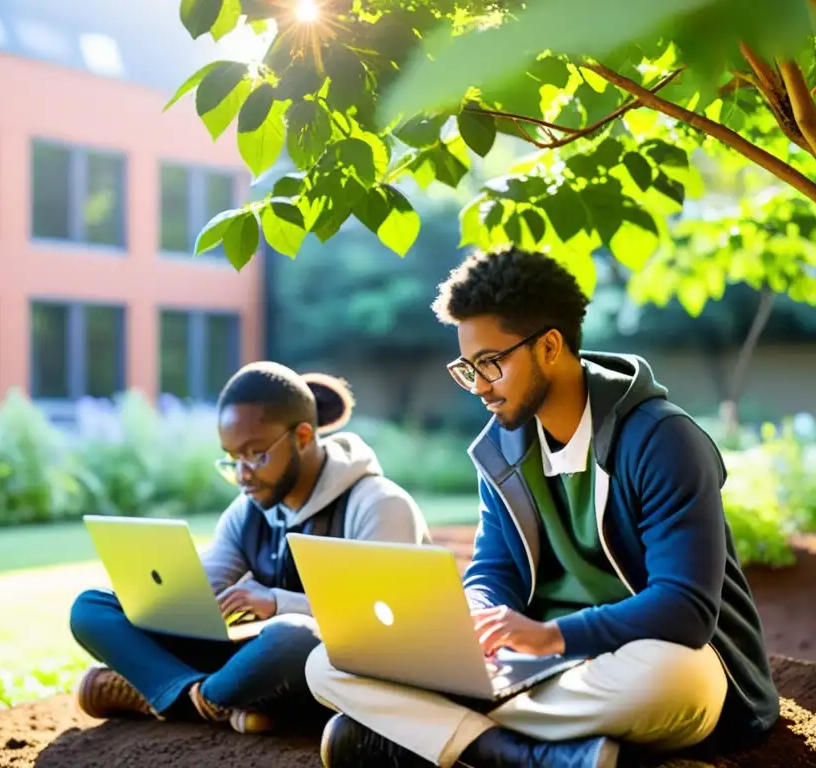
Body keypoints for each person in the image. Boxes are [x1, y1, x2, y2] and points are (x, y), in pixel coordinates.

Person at [305, 249, 780, 767]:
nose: (481, 387)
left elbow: (684, 610)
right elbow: (494, 567)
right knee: (327, 661)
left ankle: (434, 734)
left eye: (491, 363)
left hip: (641, 656)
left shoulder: (663, 440)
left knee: (671, 679)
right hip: (532, 667)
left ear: (550, 345)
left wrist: (551, 635)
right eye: (468, 368)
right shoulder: (500, 448)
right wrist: (482, 617)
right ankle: (521, 755)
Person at [70, 362, 431, 734]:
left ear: (304, 437)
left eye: (256, 454)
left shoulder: (378, 504)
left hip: (337, 667)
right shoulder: (248, 510)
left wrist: (277, 602)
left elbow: (387, 625)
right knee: (93, 606)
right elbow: (211, 585)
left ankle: (167, 692)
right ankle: (206, 699)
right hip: (260, 664)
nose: (243, 474)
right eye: (232, 458)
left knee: (291, 637)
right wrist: (171, 599)